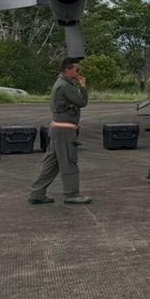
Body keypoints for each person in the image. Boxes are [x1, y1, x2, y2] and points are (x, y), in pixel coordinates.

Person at [28, 57, 92, 205]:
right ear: (67, 70)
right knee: (69, 161)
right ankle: (72, 194)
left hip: (58, 129)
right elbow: (82, 102)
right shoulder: (65, 86)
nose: (78, 73)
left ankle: (37, 193)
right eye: (77, 70)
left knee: (51, 163)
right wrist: (83, 87)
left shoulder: (62, 83)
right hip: (64, 131)